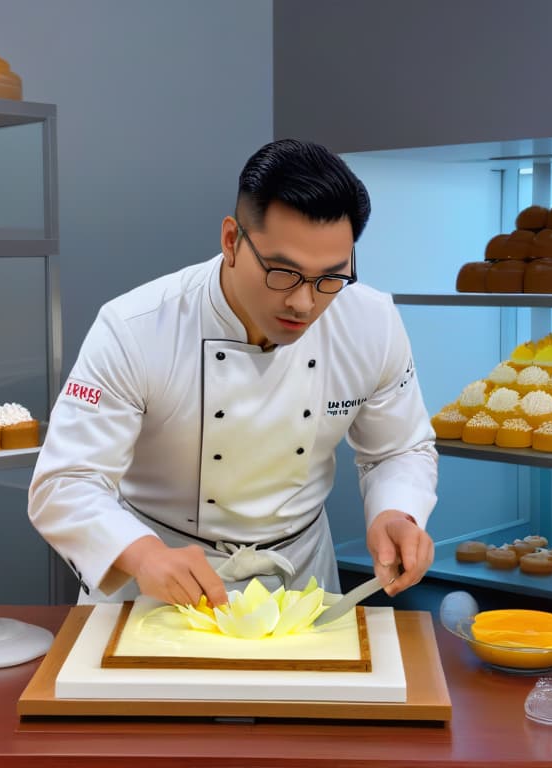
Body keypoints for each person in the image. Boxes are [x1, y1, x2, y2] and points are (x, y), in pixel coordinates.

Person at [28, 138, 438, 608]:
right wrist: (143, 557)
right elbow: (65, 482)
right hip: (161, 578)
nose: (304, 303)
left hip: (301, 579)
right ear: (231, 240)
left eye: (330, 279)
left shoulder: (371, 322)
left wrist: (396, 513)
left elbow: (399, 449)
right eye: (283, 273)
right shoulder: (136, 328)